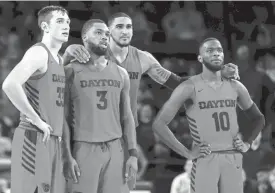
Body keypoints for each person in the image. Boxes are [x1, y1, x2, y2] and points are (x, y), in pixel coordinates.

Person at [62, 12, 239, 191]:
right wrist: (69, 51)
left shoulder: (142, 58)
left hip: (124, 134)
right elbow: (63, 74)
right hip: (89, 135)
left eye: (129, 27)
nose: (125, 31)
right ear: (109, 31)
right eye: (119, 27)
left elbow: (177, 83)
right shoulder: (93, 54)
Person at [152, 37, 265, 193]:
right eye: (210, 51)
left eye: (219, 50)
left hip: (232, 159)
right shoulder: (189, 87)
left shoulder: (236, 86)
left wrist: (247, 142)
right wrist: (187, 153)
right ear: (200, 58)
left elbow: (259, 119)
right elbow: (159, 124)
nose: (216, 54)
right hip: (205, 159)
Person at [62, 19, 137, 193]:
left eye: (106, 34)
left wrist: (133, 154)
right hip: (83, 148)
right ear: (84, 37)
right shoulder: (70, 71)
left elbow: (127, 116)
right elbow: (63, 118)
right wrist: (66, 154)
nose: (104, 37)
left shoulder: (121, 73)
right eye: (98, 32)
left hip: (115, 148)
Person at [2, 5, 70, 193]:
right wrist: (36, 119)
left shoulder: (61, 60)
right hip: (33, 137)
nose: (66, 25)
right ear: (45, 27)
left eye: (68, 22)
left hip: (53, 140)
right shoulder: (39, 53)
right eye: (60, 21)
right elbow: (10, 84)